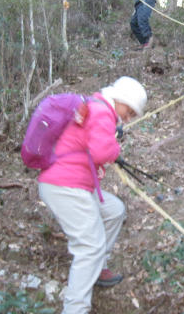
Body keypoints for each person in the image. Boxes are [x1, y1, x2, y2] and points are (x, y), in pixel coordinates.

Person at [38, 76, 148, 314]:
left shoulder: (97, 108)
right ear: (120, 100)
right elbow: (102, 151)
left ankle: (97, 269)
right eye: (129, 111)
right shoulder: (101, 112)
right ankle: (75, 309)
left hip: (72, 184)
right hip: (65, 186)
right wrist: (115, 144)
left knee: (114, 210)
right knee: (89, 246)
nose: (128, 118)